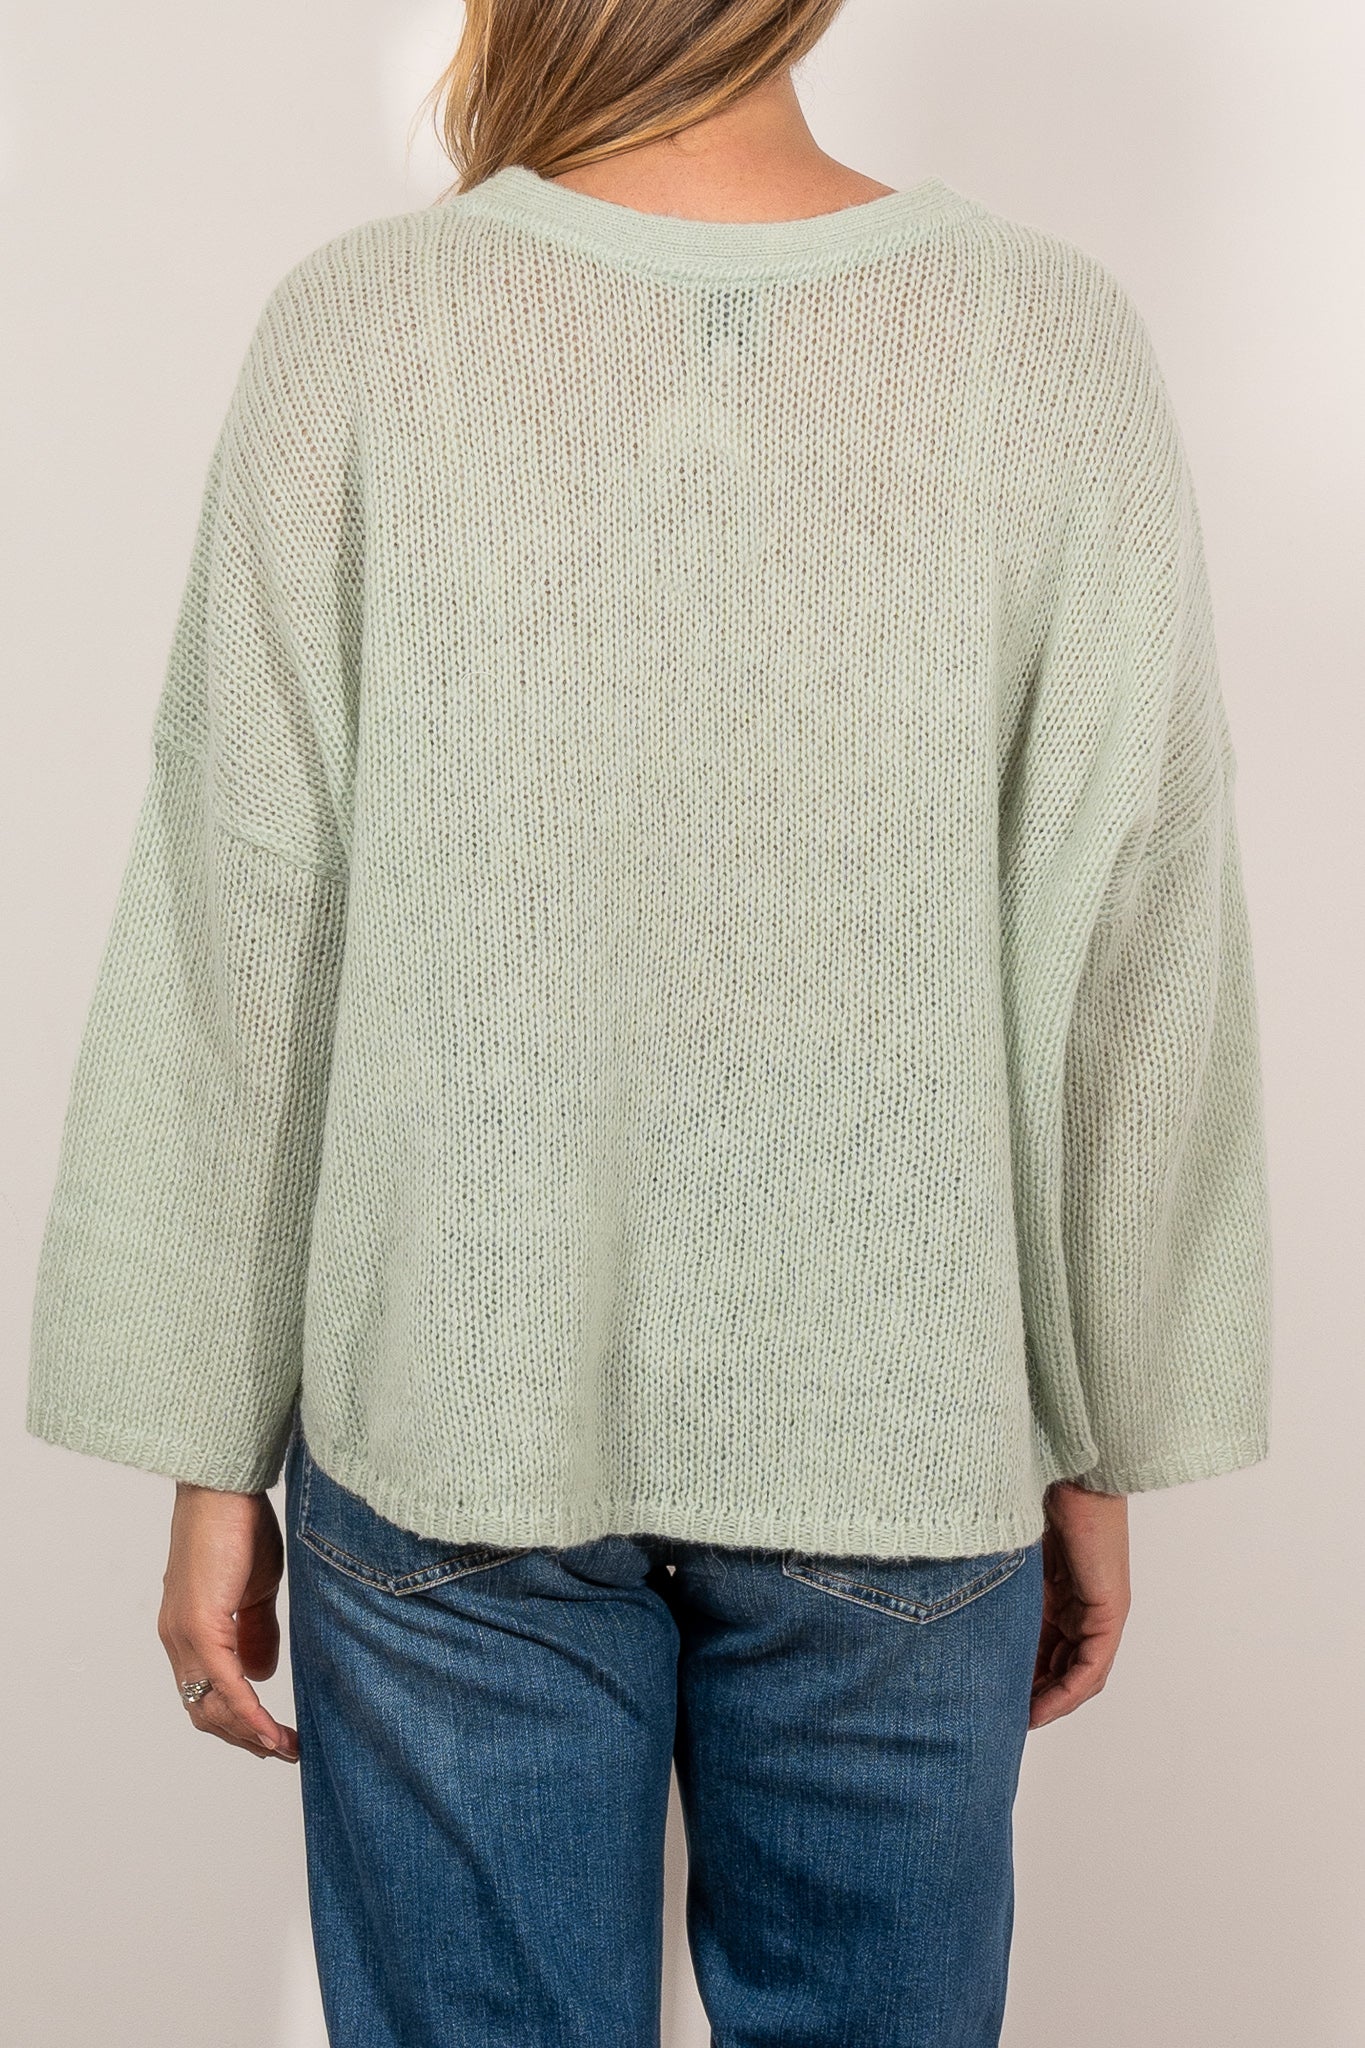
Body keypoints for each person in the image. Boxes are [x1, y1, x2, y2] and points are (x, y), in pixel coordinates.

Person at [25, 2, 1274, 2042]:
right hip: (901, 1427)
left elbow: (244, 899)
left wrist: (205, 1450)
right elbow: (1126, 916)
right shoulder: (1042, 340)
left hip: (446, 1420)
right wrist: (1098, 1418)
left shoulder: (366, 326)